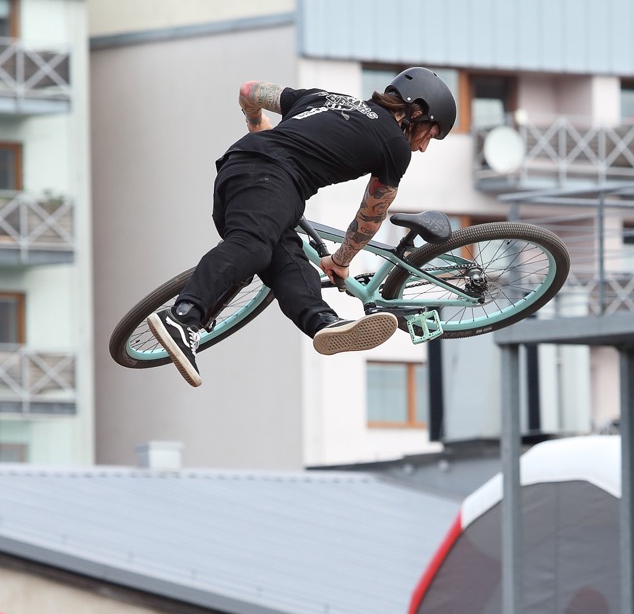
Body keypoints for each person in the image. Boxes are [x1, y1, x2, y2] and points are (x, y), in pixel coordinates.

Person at [147, 67, 457, 387]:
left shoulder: (322, 97)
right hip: (269, 179)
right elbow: (371, 215)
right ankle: (183, 316)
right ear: (416, 112)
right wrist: (341, 260)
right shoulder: (394, 144)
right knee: (254, 246)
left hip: (251, 175)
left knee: (288, 264)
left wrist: (256, 125)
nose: (424, 147)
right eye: (430, 134)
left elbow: (249, 91)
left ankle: (322, 322)